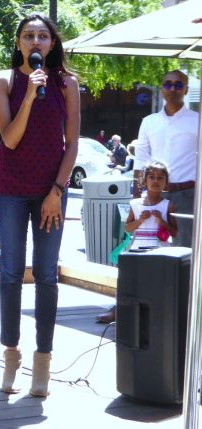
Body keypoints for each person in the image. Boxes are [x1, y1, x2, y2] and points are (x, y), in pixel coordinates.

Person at [0, 13, 80, 397]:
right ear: (18, 43)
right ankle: (11, 355)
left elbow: (72, 143)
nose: (36, 41)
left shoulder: (67, 83)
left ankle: (43, 361)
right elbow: (10, 139)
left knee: (46, 274)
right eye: (28, 36)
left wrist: (57, 190)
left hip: (50, 191)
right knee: (11, 273)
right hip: (11, 188)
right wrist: (28, 95)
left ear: (52, 43)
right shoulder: (3, 80)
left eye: (43, 36)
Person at [97, 161, 178, 324]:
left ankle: (156, 316)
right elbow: (127, 228)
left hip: (159, 249)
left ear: (166, 182)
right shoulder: (135, 204)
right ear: (144, 180)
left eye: (160, 178)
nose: (156, 181)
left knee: (156, 282)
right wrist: (140, 220)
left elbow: (174, 231)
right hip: (138, 247)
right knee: (129, 281)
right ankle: (120, 312)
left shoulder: (168, 205)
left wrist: (161, 221)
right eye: (152, 177)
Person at [133, 70, 199, 248]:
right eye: (168, 84)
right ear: (162, 88)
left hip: (187, 195)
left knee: (183, 249)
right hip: (154, 195)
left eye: (178, 85)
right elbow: (141, 158)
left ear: (186, 90)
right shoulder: (149, 122)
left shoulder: (197, 121)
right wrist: (137, 193)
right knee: (150, 245)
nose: (172, 89)